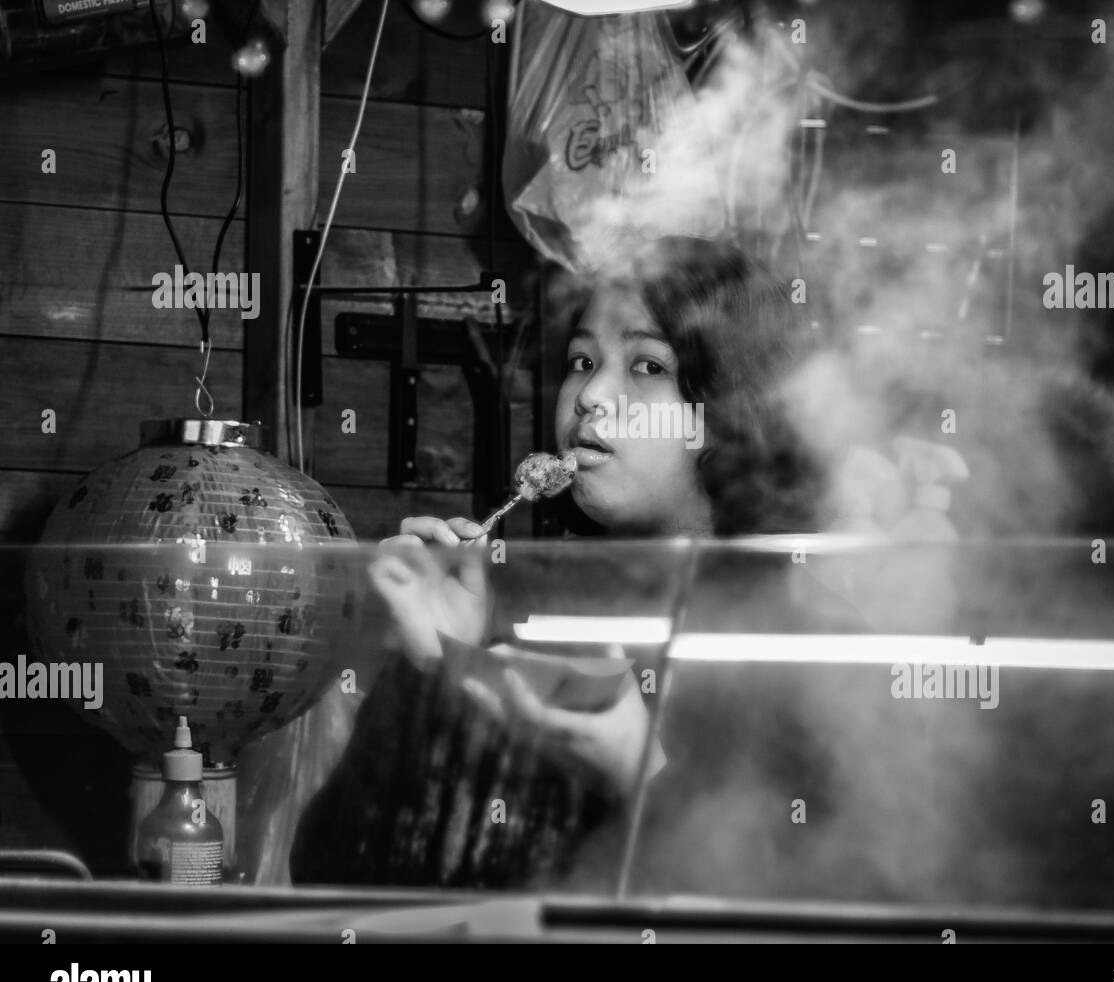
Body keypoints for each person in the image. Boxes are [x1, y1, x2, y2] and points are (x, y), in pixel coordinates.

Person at [289, 236, 828, 889]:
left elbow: (803, 899)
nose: (593, 394)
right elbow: (334, 864)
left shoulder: (789, 626)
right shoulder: (521, 603)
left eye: (647, 367)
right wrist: (437, 664)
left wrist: (637, 765)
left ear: (715, 415)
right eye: (582, 359)